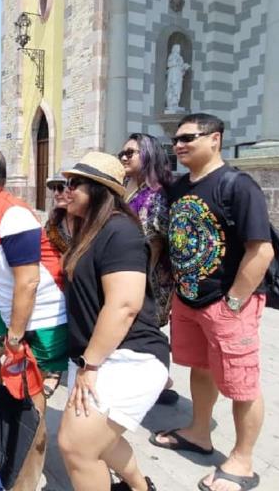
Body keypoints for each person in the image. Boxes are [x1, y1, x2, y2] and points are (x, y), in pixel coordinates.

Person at [150, 113, 274, 491]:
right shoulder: (179, 188)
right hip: (190, 299)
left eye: (188, 137)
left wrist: (234, 302)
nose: (179, 145)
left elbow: (261, 250)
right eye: (176, 140)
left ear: (215, 139)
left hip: (227, 302)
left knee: (242, 383)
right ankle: (199, 432)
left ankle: (242, 460)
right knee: (200, 369)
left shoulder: (238, 186)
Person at [0, 144, 68, 491]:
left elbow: (29, 281)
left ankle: (26, 479)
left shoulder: (13, 215)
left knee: (28, 404)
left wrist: (15, 338)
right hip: (8, 312)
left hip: (44, 318)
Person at [56, 152, 169, 491]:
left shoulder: (119, 231)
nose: (66, 190)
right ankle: (139, 487)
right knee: (97, 440)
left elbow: (124, 306)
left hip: (127, 356)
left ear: (99, 191)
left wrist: (90, 366)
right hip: (97, 355)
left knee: (76, 446)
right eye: (66, 183)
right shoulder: (89, 230)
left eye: (75, 184)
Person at [119, 133, 178, 407]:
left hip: (150, 275)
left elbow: (156, 241)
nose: (124, 157)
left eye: (130, 153)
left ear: (149, 154)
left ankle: (161, 381)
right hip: (127, 270)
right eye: (123, 153)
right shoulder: (126, 187)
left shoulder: (157, 194)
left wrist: (143, 279)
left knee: (148, 327)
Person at [45, 172, 74, 254]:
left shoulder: (88, 219)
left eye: (60, 188)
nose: (56, 194)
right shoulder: (53, 219)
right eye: (54, 189)